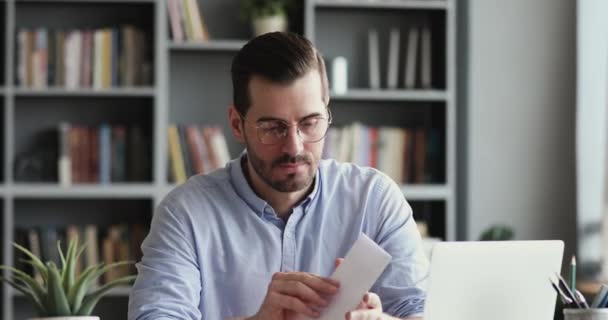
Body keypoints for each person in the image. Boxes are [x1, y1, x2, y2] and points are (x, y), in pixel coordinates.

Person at [128, 32, 429, 320]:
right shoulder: (185, 213)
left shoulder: (375, 199)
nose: (294, 147)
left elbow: (422, 311)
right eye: (273, 128)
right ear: (237, 124)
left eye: (310, 123)